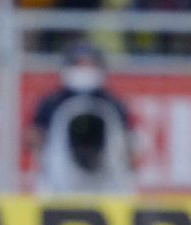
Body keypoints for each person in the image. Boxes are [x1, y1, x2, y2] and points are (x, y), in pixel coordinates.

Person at [30, 42, 135, 195]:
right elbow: (34, 134)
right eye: (80, 64)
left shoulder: (112, 103)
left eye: (89, 65)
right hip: (62, 178)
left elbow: (127, 141)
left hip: (105, 178)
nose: (85, 70)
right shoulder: (53, 102)